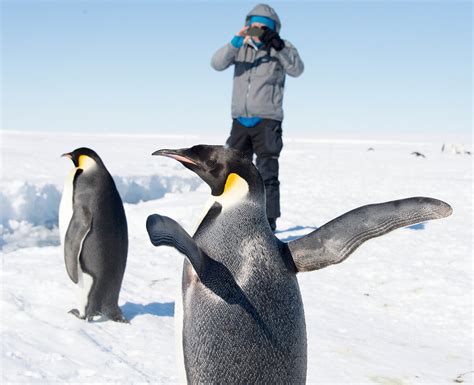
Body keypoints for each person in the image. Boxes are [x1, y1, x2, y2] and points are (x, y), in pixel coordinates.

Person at [211, 3, 304, 232]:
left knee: (267, 172)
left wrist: (279, 46)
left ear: (273, 29)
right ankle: (231, 217)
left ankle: (268, 221)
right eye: (253, 26)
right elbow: (217, 63)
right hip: (240, 120)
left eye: (264, 27)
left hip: (268, 120)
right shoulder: (240, 47)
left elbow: (297, 69)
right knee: (232, 171)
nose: (258, 30)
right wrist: (236, 39)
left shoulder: (282, 48)